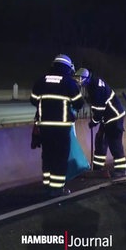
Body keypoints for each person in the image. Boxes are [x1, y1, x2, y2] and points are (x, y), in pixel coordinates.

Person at [30, 54, 85, 197]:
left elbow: (34, 100)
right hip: (61, 127)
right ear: (67, 68)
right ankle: (58, 188)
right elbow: (79, 103)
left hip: (45, 127)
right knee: (60, 158)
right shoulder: (69, 83)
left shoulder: (41, 81)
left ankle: (48, 185)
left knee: (47, 155)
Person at [74, 68, 126, 178]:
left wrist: (94, 122)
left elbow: (99, 109)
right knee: (100, 142)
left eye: (80, 79)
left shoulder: (96, 87)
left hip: (114, 118)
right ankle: (97, 169)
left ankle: (121, 170)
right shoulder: (93, 84)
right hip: (107, 118)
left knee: (114, 143)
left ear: (87, 78)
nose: (79, 82)